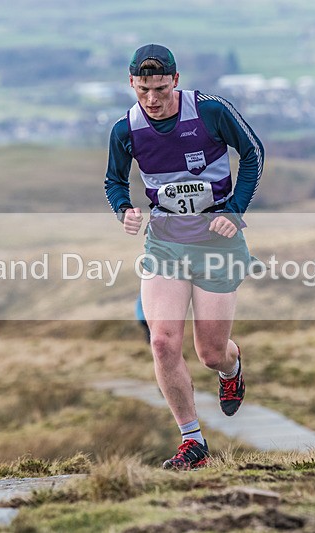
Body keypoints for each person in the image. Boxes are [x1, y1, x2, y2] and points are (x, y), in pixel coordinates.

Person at [105, 44, 264, 469]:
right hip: (165, 242)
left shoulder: (210, 111)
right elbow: (113, 181)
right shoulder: (126, 129)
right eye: (142, 90)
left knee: (210, 352)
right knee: (161, 342)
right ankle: (192, 442)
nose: (152, 100)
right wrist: (125, 209)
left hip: (216, 240)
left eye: (159, 88)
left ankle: (231, 370)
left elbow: (252, 154)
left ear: (175, 80)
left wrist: (235, 209)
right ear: (132, 85)